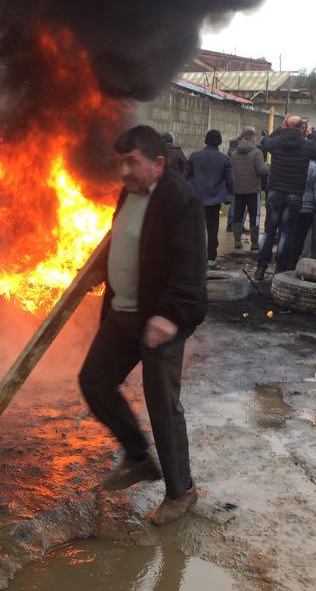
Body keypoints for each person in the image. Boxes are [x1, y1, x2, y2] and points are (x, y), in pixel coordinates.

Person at [79, 125, 207, 523]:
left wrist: (169, 316)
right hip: (125, 312)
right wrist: (96, 271)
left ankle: (181, 492)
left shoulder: (179, 200)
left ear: (157, 164)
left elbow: (190, 266)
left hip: (161, 317)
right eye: (120, 163)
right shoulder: (130, 192)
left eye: (131, 163)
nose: (124, 171)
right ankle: (137, 457)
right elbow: (121, 240)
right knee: (94, 380)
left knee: (162, 405)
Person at [255, 116, 316, 279]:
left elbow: (265, 141)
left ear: (285, 126)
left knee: (269, 232)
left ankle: (260, 267)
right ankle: (280, 269)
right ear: (302, 128)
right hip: (294, 195)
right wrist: (310, 134)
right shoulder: (306, 145)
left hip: (275, 192)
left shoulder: (277, 143)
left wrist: (282, 128)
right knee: (286, 233)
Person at [186, 130, 234, 269]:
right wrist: (229, 194)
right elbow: (230, 181)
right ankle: (211, 259)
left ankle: (196, 257)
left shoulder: (194, 156)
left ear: (205, 140)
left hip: (196, 199)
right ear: (219, 142)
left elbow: (185, 176)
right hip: (214, 200)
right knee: (213, 230)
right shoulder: (224, 159)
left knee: (196, 229)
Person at [230, 126, 268, 251]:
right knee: (254, 216)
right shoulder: (257, 153)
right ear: (252, 137)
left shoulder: (234, 153)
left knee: (237, 215)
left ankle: (237, 240)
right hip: (253, 190)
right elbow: (262, 171)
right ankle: (255, 243)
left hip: (238, 189)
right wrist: (268, 166)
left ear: (242, 136)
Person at [294, 159, 316, 260]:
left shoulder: (294, 164)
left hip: (293, 204)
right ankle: (305, 263)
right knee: (307, 238)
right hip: (308, 207)